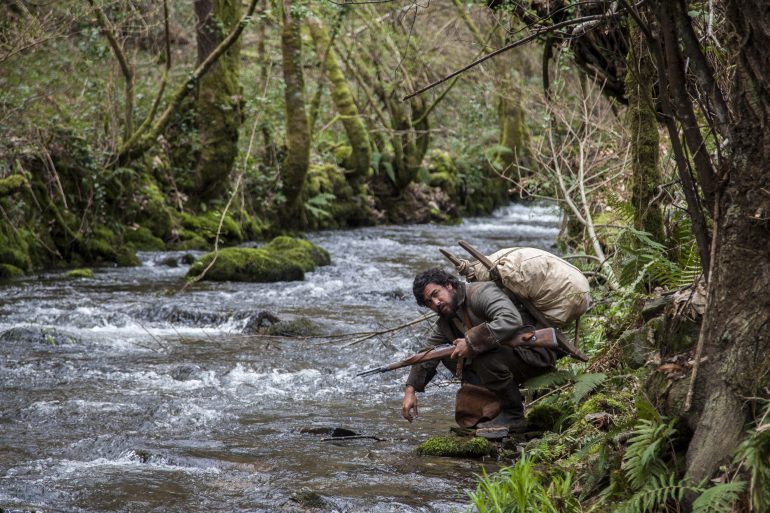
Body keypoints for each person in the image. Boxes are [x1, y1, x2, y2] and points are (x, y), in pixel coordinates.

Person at [401, 268, 558, 438]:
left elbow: (510, 319)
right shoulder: (448, 319)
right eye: (429, 302)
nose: (436, 303)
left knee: (483, 354)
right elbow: (428, 353)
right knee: (448, 356)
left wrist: (471, 342)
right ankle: (492, 412)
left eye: (436, 294)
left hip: (534, 355)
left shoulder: (480, 292)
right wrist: (410, 391)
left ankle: (513, 416)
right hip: (511, 360)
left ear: (449, 285)